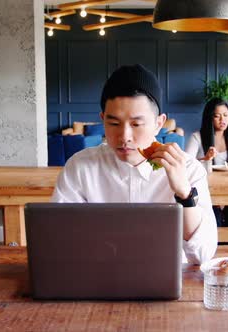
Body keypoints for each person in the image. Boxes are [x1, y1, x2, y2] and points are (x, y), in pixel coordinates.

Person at [51, 64, 217, 264]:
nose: (124, 137)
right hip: (99, 274)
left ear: (158, 123)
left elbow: (201, 256)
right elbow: (58, 241)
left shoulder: (189, 169)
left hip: (170, 277)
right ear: (103, 120)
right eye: (114, 123)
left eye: (136, 124)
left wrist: (184, 193)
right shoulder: (80, 167)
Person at [185, 98, 228, 233]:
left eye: (225, 115)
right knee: (212, 231)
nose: (222, 119)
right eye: (217, 116)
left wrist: (227, 197)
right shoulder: (197, 137)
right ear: (209, 117)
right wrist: (205, 159)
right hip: (205, 191)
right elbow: (187, 163)